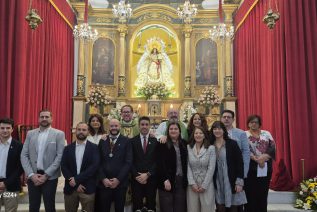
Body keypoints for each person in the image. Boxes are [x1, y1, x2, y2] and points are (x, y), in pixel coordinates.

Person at [20, 109, 65, 212]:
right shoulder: (30, 133)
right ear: (38, 119)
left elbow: (60, 156)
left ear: (52, 119)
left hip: (50, 177)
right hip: (33, 176)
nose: (44, 119)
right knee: (33, 206)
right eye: (42, 117)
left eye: (47, 117)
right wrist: (31, 174)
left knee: (50, 207)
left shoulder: (59, 134)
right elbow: (24, 155)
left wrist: (46, 175)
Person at [61, 122, 100, 212]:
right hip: (70, 188)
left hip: (87, 188)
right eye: (79, 129)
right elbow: (64, 166)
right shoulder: (67, 148)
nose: (81, 132)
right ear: (75, 131)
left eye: (84, 130)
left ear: (88, 132)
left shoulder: (94, 148)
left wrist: (77, 180)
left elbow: (94, 167)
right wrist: (74, 182)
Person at [96, 119, 132, 212]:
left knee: (119, 209)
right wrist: (103, 178)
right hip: (104, 183)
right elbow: (98, 162)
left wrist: (118, 179)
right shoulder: (102, 141)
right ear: (109, 127)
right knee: (103, 209)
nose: (114, 128)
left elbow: (128, 162)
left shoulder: (126, 141)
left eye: (116, 126)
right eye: (112, 126)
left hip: (120, 183)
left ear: (120, 127)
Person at [210, 121, 247, 212]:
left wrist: (239, 182)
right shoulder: (210, 144)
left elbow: (239, 163)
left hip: (231, 180)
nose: (217, 131)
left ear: (224, 130)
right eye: (214, 129)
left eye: (219, 128)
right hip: (217, 181)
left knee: (233, 207)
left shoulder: (232, 144)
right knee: (220, 207)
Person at [244, 115, 276, 212]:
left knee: (262, 193)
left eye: (256, 122)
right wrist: (256, 159)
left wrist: (263, 158)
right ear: (248, 123)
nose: (253, 124)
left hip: (265, 166)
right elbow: (243, 149)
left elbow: (273, 147)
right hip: (250, 167)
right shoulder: (244, 134)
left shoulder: (266, 133)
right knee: (250, 193)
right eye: (251, 122)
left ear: (259, 124)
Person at [157, 122, 188, 212]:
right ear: (168, 131)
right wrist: (165, 179)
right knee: (167, 207)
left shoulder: (184, 144)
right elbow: (160, 163)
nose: (173, 130)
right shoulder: (162, 143)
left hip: (181, 181)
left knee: (180, 207)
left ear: (179, 131)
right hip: (167, 180)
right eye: (171, 129)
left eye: (176, 129)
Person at [130, 116, 158, 212]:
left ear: (150, 126)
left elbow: (157, 160)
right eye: (142, 124)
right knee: (137, 206)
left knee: (151, 206)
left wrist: (148, 174)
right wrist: (137, 175)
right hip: (136, 179)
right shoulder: (132, 141)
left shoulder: (155, 141)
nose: (144, 126)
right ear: (139, 126)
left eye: (146, 124)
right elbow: (130, 160)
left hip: (151, 178)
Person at [187, 126, 216, 212]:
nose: (198, 135)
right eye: (196, 133)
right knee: (192, 209)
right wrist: (192, 183)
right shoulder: (188, 147)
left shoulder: (211, 148)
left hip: (207, 185)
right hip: (192, 185)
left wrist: (204, 185)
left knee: (207, 209)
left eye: (200, 133)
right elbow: (187, 166)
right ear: (193, 135)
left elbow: (211, 168)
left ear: (204, 135)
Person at [0, 118, 23, 212]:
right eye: (2, 128)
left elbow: (20, 168)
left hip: (11, 187)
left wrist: (5, 183)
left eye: (8, 128)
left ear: (12, 129)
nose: (5, 130)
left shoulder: (19, 146)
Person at [220, 110, 250, 179]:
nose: (226, 119)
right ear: (221, 119)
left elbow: (246, 152)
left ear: (233, 119)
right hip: (220, 168)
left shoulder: (241, 133)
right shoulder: (216, 132)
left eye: (229, 117)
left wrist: (244, 171)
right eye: (224, 117)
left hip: (236, 168)